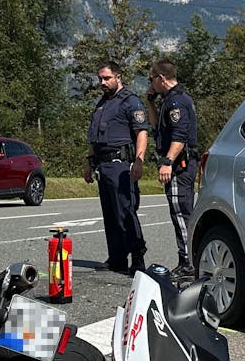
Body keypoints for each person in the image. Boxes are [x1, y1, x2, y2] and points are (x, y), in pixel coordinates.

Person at [85, 61, 149, 273]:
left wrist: (139, 161)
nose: (102, 82)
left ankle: (137, 258)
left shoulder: (130, 102)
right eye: (100, 79)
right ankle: (117, 258)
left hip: (121, 165)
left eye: (106, 78)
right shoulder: (102, 103)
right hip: (103, 165)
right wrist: (89, 162)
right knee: (110, 215)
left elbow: (141, 132)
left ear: (118, 77)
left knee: (125, 213)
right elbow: (94, 137)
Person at [148, 58, 198, 277]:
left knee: (182, 213)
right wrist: (150, 102)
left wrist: (168, 162)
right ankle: (186, 261)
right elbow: (156, 126)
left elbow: (180, 136)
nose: (150, 84)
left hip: (180, 165)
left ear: (161, 78)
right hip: (178, 163)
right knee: (178, 212)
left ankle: (190, 264)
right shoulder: (168, 100)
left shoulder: (177, 102)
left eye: (151, 79)